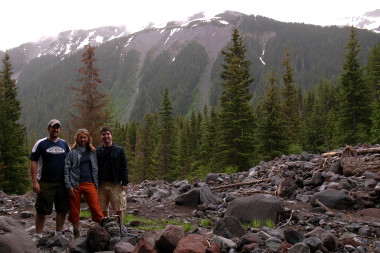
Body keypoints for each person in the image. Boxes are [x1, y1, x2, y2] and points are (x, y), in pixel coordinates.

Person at [29, 119, 70, 239]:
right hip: (45, 182)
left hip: (62, 182)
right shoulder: (41, 143)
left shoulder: (64, 144)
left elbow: (70, 161)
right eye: (53, 127)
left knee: (62, 209)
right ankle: (38, 234)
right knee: (42, 209)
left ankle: (58, 233)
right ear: (49, 129)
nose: (55, 130)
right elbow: (33, 161)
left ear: (60, 130)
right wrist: (35, 181)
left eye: (57, 128)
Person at [64, 128, 104, 238]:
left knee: (95, 208)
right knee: (74, 210)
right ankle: (76, 232)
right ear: (77, 139)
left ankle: (101, 231)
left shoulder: (92, 152)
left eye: (85, 137)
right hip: (75, 184)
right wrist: (69, 185)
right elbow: (66, 169)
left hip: (90, 182)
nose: (83, 139)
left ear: (88, 139)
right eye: (80, 137)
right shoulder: (72, 153)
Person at [96, 126, 128, 223]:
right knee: (103, 209)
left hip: (116, 184)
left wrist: (124, 182)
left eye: (108, 134)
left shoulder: (119, 150)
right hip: (101, 184)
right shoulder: (98, 150)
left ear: (111, 135)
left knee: (118, 208)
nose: (106, 136)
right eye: (104, 134)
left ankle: (120, 227)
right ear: (101, 136)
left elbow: (124, 166)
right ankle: (106, 228)